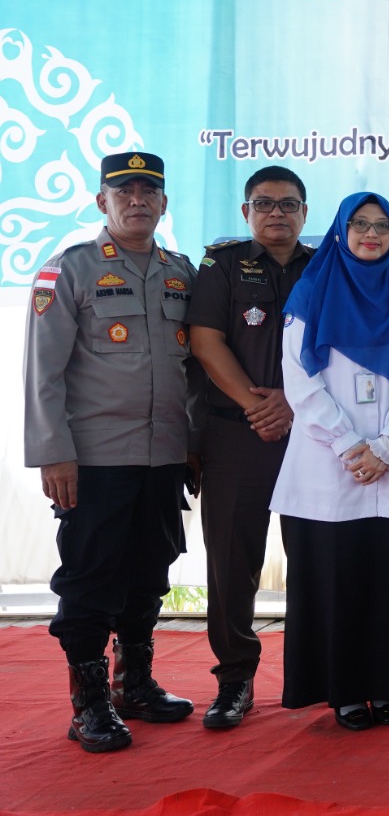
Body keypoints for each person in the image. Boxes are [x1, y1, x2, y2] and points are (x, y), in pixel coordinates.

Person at [24, 151, 200, 752]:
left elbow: (195, 371)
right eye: (123, 191)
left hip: (164, 455)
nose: (136, 200)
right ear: (102, 201)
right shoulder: (69, 270)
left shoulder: (181, 273)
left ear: (164, 203)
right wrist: (53, 453)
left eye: (148, 190)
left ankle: (135, 684)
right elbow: (42, 372)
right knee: (90, 579)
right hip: (94, 458)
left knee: (150, 572)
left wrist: (194, 446)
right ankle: (89, 705)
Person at [269, 192, 389, 731]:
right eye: (361, 224)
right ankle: (343, 692)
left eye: (383, 226)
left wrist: (386, 445)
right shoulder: (311, 293)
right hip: (328, 464)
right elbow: (301, 381)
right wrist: (349, 444)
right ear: (341, 231)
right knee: (336, 579)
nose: (372, 234)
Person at [188, 165, 313, 729]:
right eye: (264, 204)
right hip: (237, 434)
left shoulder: (326, 267)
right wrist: (256, 405)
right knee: (233, 562)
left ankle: (319, 677)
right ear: (246, 212)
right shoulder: (221, 265)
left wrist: (292, 403)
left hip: (313, 433)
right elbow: (205, 340)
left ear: (304, 213)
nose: (276, 214)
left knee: (316, 559)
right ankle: (235, 679)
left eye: (288, 205)